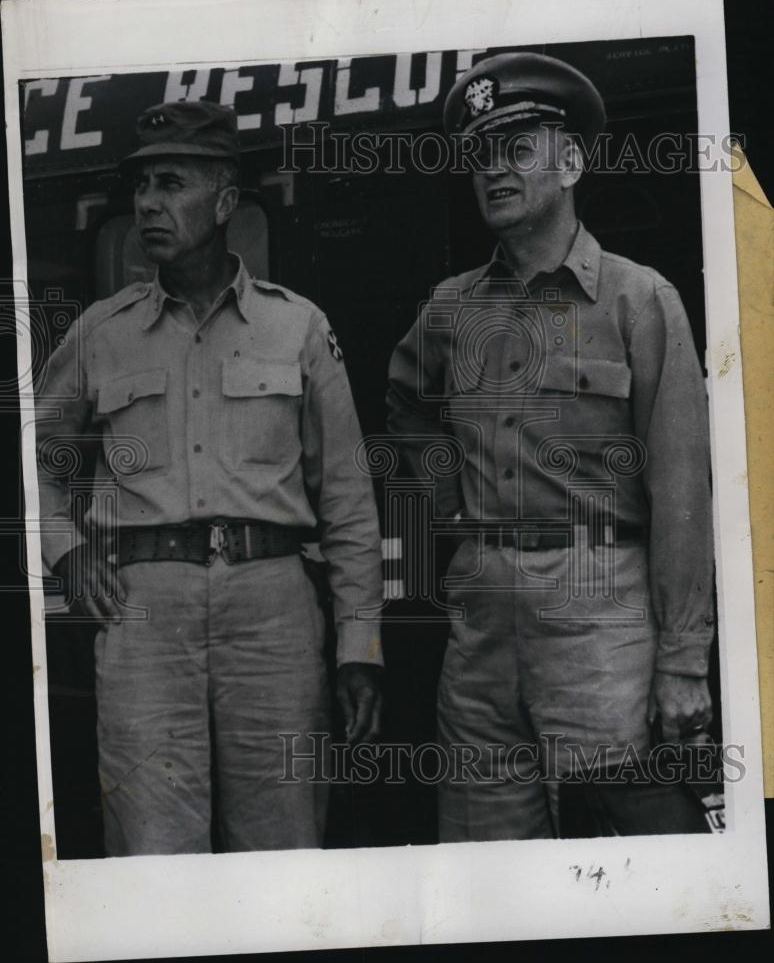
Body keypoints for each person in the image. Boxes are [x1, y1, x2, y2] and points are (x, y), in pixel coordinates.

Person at [36, 99, 383, 856]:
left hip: (275, 611)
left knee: (284, 847)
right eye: (142, 187)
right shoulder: (103, 331)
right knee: (154, 847)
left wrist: (359, 644)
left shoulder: (297, 327)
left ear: (226, 201)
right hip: (142, 611)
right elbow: (36, 458)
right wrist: (66, 549)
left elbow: (349, 500)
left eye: (171, 184)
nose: (149, 205)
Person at [386, 52, 715, 840]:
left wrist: (682, 661)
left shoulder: (640, 300)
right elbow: (405, 402)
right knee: (486, 870)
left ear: (569, 162)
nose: (493, 170)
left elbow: (681, 496)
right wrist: (449, 503)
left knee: (626, 866)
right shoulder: (451, 308)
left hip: (601, 619)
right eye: (481, 154)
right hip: (481, 623)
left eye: (517, 147)